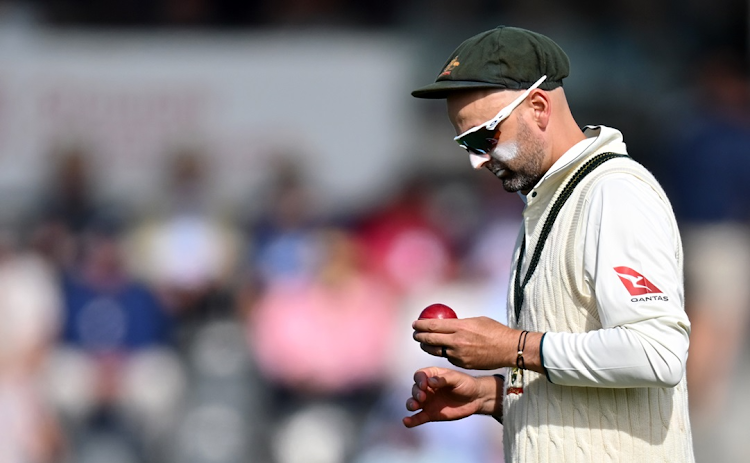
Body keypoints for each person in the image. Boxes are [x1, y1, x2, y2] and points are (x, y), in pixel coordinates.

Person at [403, 26, 694, 462]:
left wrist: (512, 348)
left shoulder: (613, 193)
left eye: (484, 136)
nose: (476, 159)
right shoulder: (549, 198)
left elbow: (658, 354)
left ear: (539, 107)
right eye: (465, 142)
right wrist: (493, 396)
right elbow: (593, 382)